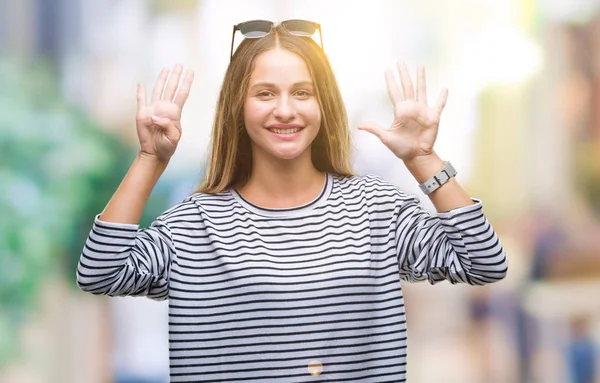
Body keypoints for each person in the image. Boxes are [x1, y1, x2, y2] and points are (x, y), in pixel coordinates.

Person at [76, 19, 508, 382]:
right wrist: (151, 159)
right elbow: (100, 272)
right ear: (237, 108)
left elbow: (484, 262)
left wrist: (422, 157)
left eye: (302, 92)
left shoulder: (377, 209)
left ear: (324, 105)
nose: (285, 110)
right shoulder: (195, 223)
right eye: (265, 93)